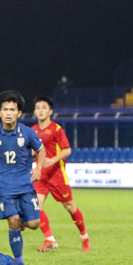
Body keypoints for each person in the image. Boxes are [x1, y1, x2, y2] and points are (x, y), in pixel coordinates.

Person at [0, 91, 45, 265]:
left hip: (25, 185)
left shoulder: (28, 133)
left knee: (34, 224)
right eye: (5, 109)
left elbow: (41, 150)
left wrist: (38, 168)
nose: (8, 113)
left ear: (19, 113)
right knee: (13, 220)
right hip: (4, 186)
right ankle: (19, 263)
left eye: (12, 110)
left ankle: (21, 220)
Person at [31, 96, 90, 252]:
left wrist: (53, 160)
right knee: (36, 206)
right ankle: (49, 239)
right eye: (38, 107)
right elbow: (30, 149)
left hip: (56, 174)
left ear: (50, 111)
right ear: (35, 111)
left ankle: (84, 237)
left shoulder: (56, 129)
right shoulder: (33, 131)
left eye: (44, 107)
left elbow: (67, 150)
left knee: (69, 206)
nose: (41, 110)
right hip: (41, 176)